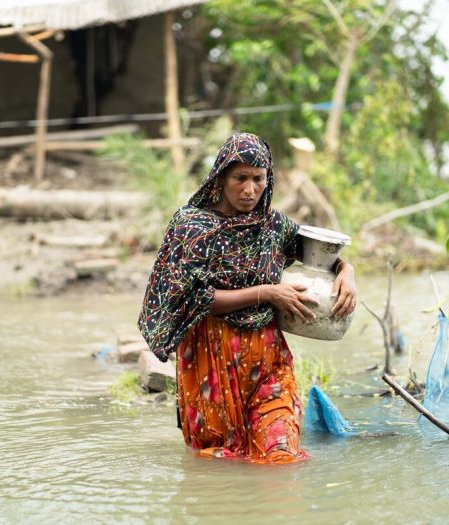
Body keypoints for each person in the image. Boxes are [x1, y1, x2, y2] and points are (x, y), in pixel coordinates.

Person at [138, 132, 357, 463]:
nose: (250, 189)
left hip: (268, 361)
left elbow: (319, 255)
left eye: (258, 179)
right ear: (221, 177)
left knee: (281, 455)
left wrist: (346, 272)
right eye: (240, 178)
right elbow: (194, 299)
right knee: (217, 463)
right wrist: (266, 293)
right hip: (209, 361)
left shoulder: (273, 226)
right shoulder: (193, 227)